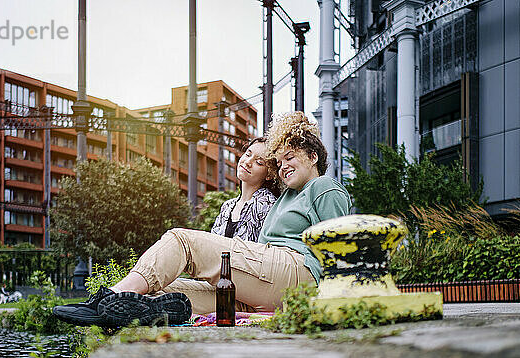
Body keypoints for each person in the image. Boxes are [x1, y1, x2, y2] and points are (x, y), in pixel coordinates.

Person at [53, 112, 352, 327]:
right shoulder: (286, 198)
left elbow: (342, 252)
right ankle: (126, 311)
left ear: (313, 157)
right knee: (165, 292)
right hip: (267, 287)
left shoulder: (323, 186)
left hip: (297, 273)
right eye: (281, 160)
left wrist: (330, 309)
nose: (284, 165)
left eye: (291, 157)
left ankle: (106, 298)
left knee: (182, 240)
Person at [210, 137, 279, 242]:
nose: (247, 162)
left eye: (259, 162)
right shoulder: (227, 206)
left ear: (269, 174)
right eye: (248, 154)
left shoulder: (268, 206)